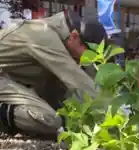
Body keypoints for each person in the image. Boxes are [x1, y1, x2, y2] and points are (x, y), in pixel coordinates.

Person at [0, 9, 107, 138]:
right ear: (74, 36)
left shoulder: (65, 39)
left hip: (10, 79)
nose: (82, 62)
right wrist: (118, 114)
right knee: (49, 119)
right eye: (83, 57)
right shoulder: (43, 35)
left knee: (63, 113)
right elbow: (77, 79)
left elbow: (90, 79)